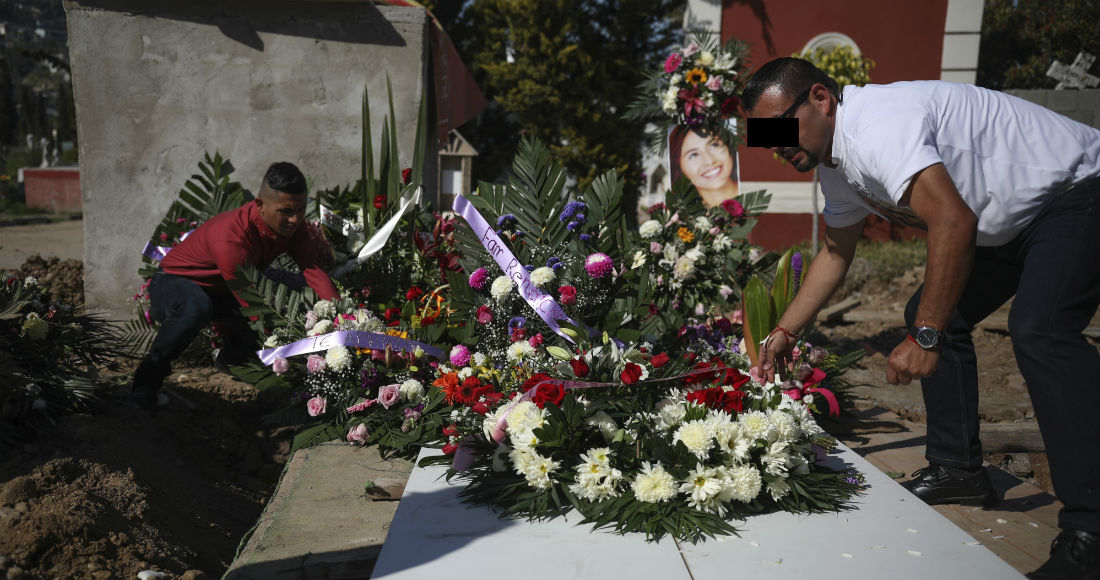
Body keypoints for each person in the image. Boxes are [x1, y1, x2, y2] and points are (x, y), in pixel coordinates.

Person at [743, 57, 1099, 580]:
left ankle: (1091, 529)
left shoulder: (877, 128)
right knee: (926, 309)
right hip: (1017, 222)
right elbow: (835, 255)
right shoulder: (835, 163)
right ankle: (958, 469)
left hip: (1079, 191)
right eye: (765, 137)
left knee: (1040, 328)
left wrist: (926, 336)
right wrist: (783, 333)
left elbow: (952, 221)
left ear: (820, 99)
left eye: (781, 128)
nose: (776, 145)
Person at [130, 161, 340, 408]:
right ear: (260, 205)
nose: (295, 220)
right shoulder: (231, 237)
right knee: (197, 307)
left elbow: (313, 272)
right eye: (285, 211)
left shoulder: (293, 228)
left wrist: (341, 321)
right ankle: (145, 383)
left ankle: (233, 361)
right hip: (174, 283)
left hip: (222, 288)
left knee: (292, 291)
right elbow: (252, 305)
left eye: (301, 210)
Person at [668, 124, 740, 207]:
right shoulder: (680, 217)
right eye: (694, 155)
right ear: (679, 167)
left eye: (714, 145)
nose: (709, 161)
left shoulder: (754, 188)